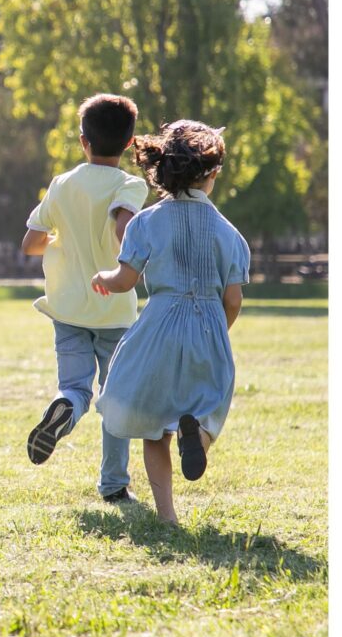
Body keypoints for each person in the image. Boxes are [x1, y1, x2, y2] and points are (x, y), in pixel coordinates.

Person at [92, 120, 249, 523]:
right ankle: (197, 436)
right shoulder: (230, 234)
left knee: (153, 426)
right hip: (209, 326)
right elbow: (233, 299)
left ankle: (168, 517)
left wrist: (103, 278)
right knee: (208, 407)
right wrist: (216, 330)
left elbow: (125, 280)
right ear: (211, 174)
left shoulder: (145, 222)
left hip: (159, 325)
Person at [21, 94, 148, 502]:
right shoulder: (131, 184)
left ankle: (64, 408)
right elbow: (123, 227)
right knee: (116, 398)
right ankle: (114, 485)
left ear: (83, 141)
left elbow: (30, 243)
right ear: (129, 144)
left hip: (68, 307)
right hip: (113, 308)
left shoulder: (62, 184)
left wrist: (65, 241)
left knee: (75, 387)